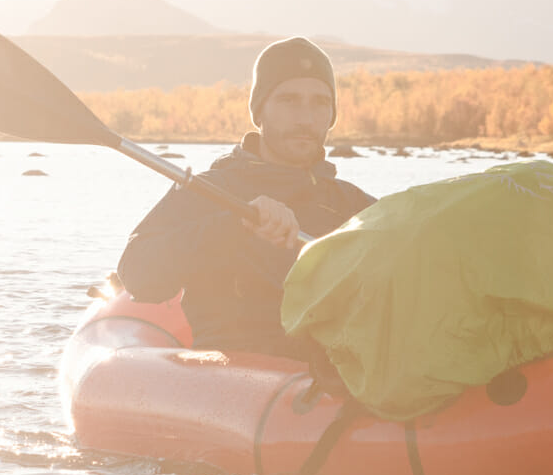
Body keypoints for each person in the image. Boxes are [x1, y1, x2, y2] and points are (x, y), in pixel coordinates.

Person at [117, 37, 374, 356]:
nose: (305, 118)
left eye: (320, 103)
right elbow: (138, 276)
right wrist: (235, 225)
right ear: (260, 111)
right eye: (288, 100)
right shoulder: (209, 191)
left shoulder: (353, 206)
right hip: (231, 377)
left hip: (330, 378)